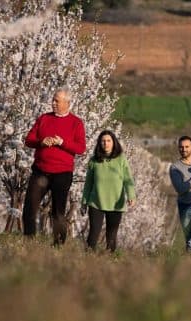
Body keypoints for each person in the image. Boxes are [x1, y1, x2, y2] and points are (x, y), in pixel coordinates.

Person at [22, 88, 86, 245]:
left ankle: (58, 245)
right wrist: (41, 142)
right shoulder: (44, 118)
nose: (53, 103)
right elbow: (28, 140)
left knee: (58, 212)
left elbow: (80, 148)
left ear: (67, 103)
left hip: (62, 173)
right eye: (53, 100)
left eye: (57, 101)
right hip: (40, 171)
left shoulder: (76, 123)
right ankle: (29, 242)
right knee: (29, 207)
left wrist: (62, 142)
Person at [80, 130, 135, 253]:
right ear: (99, 143)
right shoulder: (94, 160)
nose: (106, 143)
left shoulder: (121, 159)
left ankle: (110, 262)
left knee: (111, 236)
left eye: (109, 141)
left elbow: (128, 179)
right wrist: (84, 201)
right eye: (103, 141)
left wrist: (131, 195)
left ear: (114, 142)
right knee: (93, 234)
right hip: (96, 202)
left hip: (116, 203)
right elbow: (88, 183)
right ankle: (88, 260)